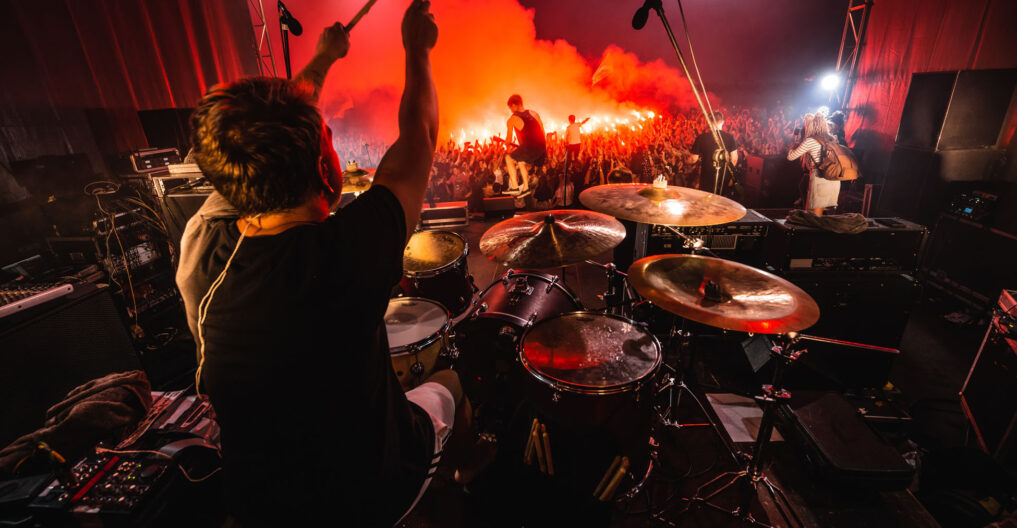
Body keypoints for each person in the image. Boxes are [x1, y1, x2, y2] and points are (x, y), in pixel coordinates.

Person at [175, 3, 484, 526]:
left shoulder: (203, 246)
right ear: (325, 166)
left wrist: (321, 59)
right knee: (449, 385)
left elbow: (265, 133)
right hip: (363, 496)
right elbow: (420, 137)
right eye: (330, 142)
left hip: (257, 502)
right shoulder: (347, 254)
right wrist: (417, 46)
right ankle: (463, 481)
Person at [787, 112, 840, 216]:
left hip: (820, 180)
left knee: (814, 218)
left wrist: (796, 141)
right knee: (829, 218)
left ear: (811, 126)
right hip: (834, 180)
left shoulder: (811, 141)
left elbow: (791, 157)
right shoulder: (832, 139)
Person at [503, 94, 546, 194]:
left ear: (514, 105)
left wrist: (507, 142)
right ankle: (526, 188)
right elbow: (542, 130)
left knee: (508, 159)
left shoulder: (512, 119)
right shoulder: (534, 113)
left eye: (510, 108)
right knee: (521, 162)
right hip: (541, 147)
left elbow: (508, 140)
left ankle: (514, 187)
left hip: (529, 147)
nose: (511, 110)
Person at [688, 110, 739, 194]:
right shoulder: (730, 137)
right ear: (722, 122)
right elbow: (734, 159)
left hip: (706, 177)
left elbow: (693, 159)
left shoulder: (701, 137)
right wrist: (727, 174)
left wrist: (687, 160)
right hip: (724, 179)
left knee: (706, 202)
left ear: (709, 122)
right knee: (722, 202)